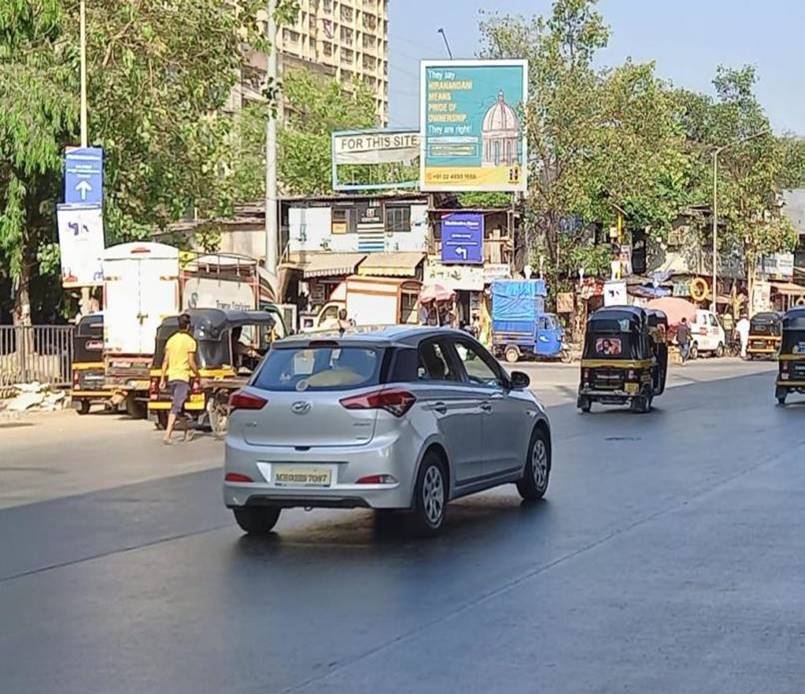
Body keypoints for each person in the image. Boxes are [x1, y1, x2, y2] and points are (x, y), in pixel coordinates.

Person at [159, 313, 200, 445]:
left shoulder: (171, 340)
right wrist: (197, 374)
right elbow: (191, 361)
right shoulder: (190, 341)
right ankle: (167, 435)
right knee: (176, 406)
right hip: (183, 377)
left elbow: (165, 361)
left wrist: (162, 379)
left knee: (179, 407)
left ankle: (187, 430)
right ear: (188, 326)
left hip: (171, 377)